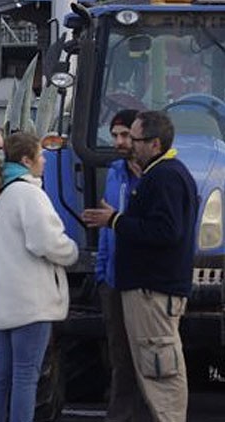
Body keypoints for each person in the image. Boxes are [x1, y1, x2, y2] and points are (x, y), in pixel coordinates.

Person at [82, 111, 197, 422]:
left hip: (153, 291)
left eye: (135, 139)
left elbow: (165, 231)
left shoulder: (165, 177)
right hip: (146, 288)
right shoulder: (159, 175)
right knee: (150, 366)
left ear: (155, 144)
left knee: (160, 368)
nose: (129, 144)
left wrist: (115, 220)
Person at [0, 132, 78, 422]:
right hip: (30, 301)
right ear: (26, 160)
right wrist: (71, 250)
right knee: (25, 377)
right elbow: (45, 243)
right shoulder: (29, 194)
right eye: (40, 154)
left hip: (0, 298)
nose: (45, 160)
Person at [95, 109, 151, 422]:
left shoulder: (156, 176)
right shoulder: (115, 172)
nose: (118, 141)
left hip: (144, 280)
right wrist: (103, 274)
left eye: (125, 135)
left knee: (148, 353)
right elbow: (106, 231)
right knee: (120, 355)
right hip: (114, 279)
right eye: (114, 135)